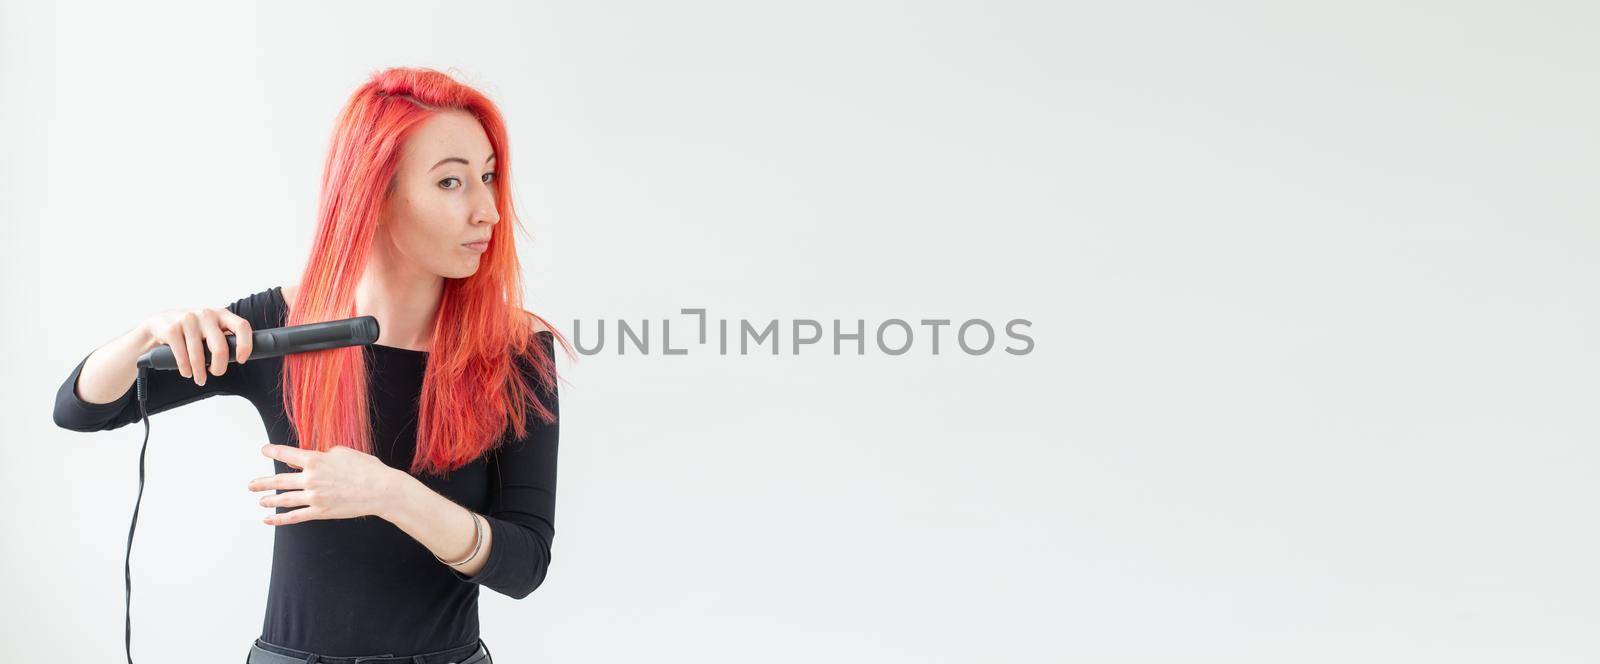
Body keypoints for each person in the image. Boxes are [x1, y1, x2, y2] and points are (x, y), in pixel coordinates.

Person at [51, 67, 571, 664]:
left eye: (487, 177)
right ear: (374, 192)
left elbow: (524, 565)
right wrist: (146, 334)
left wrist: (389, 493)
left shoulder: (514, 348)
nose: (488, 211)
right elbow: (83, 409)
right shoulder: (283, 326)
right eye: (452, 182)